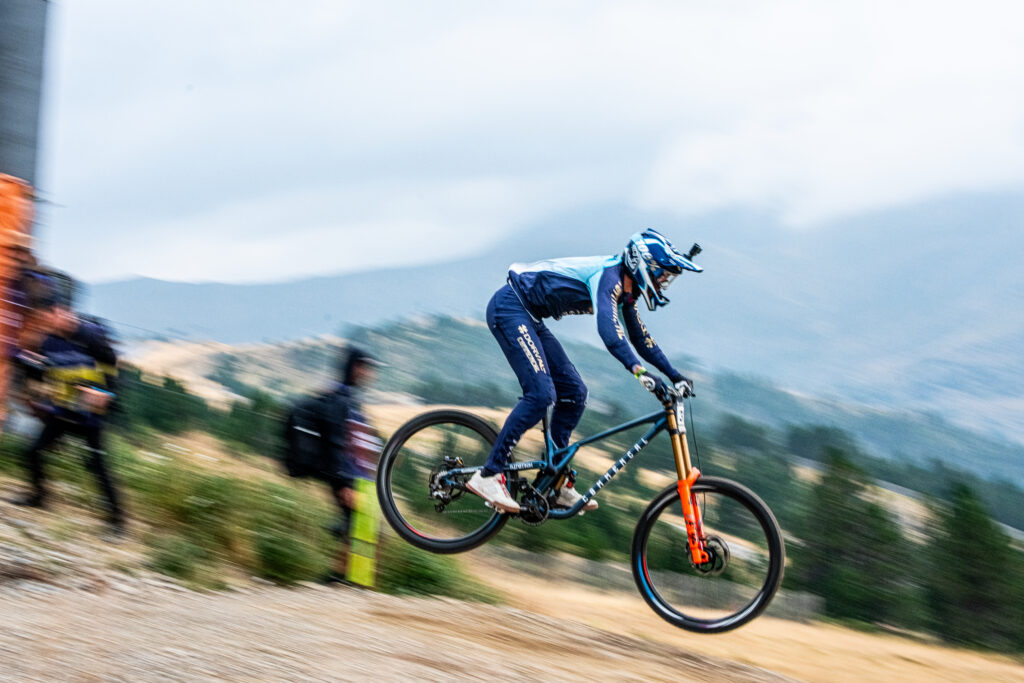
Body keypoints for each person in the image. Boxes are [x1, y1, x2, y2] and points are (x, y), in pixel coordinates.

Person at [466, 229, 702, 513]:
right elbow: (611, 335)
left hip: (530, 317)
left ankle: (554, 483)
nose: (664, 282)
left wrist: (675, 375)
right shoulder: (610, 279)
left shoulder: (627, 292)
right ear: (644, 266)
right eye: (663, 275)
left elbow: (641, 340)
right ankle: (489, 475)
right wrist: (642, 374)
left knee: (575, 393)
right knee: (541, 395)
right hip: (510, 308)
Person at [10, 299, 125, 538]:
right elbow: (45, 371)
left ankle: (117, 524)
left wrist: (106, 394)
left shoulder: (92, 337)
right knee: (33, 451)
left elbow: (115, 370)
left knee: (98, 467)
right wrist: (31, 391)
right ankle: (39, 497)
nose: (54, 320)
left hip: (90, 415)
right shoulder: (49, 342)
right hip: (62, 412)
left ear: (66, 312)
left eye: (58, 314)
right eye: (48, 317)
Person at [321, 346, 383, 584]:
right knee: (364, 533)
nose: (370, 375)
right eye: (367, 368)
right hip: (350, 480)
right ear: (356, 368)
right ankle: (340, 582)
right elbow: (335, 443)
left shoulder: (350, 399)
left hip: (360, 480)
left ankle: (349, 582)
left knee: (363, 534)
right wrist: (343, 484)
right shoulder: (340, 399)